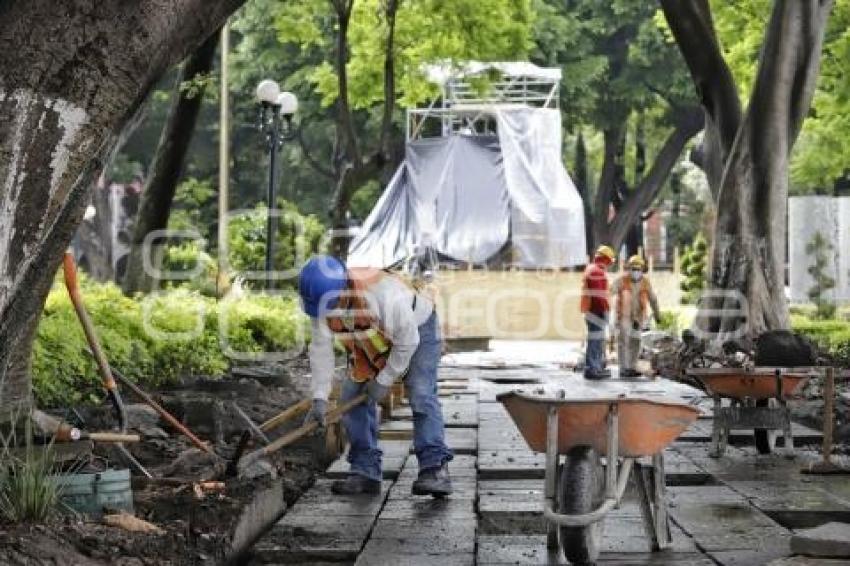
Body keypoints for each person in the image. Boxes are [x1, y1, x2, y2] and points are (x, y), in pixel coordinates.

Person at [297, 255, 454, 497]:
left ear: (344, 287)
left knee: (421, 392)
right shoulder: (320, 299)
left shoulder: (382, 293)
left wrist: (385, 379)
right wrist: (319, 396)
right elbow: (321, 350)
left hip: (417, 329)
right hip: (372, 337)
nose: (327, 312)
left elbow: (408, 340)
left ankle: (434, 469)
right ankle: (365, 471)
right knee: (351, 397)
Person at [610, 255, 660, 377]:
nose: (635, 271)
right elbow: (610, 291)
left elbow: (653, 299)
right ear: (629, 268)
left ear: (642, 269)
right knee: (623, 342)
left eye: (638, 269)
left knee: (635, 342)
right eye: (633, 268)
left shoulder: (646, 282)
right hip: (624, 316)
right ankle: (623, 368)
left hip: (638, 317)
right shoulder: (622, 280)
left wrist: (658, 314)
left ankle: (631, 367)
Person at [580, 245, 616, 379]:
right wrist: (604, 312)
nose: (610, 265)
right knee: (595, 341)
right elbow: (598, 296)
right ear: (606, 259)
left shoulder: (593, 269)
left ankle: (596, 367)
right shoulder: (597, 272)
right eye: (609, 261)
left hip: (593, 310)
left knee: (597, 340)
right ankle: (592, 369)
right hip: (597, 311)